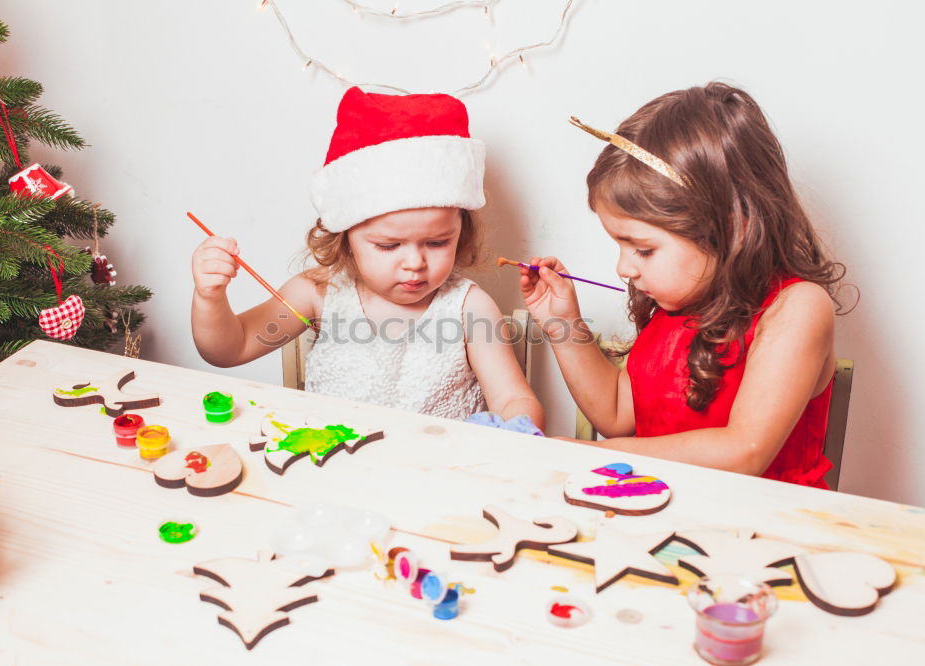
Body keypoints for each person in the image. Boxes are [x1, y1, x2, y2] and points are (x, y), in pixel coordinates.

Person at [521, 82, 846, 487]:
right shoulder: (677, 307)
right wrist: (562, 324)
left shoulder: (796, 308)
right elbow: (618, 414)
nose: (624, 269)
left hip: (763, 530)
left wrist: (591, 454)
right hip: (666, 515)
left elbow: (743, 452)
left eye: (643, 250)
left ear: (729, 228)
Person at [192, 86, 544, 428]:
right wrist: (210, 298)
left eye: (437, 243)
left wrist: (519, 424)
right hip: (333, 474)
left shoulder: (469, 309)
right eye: (389, 246)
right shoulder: (316, 293)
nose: (414, 263)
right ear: (345, 239)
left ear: (460, 233)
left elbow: (514, 399)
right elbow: (229, 349)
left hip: (434, 478)